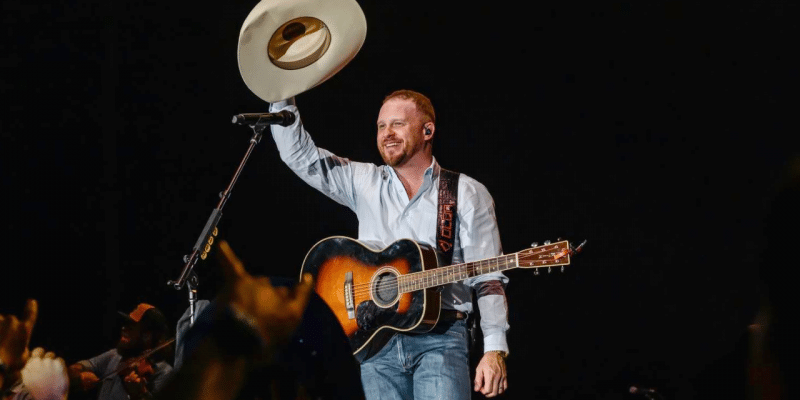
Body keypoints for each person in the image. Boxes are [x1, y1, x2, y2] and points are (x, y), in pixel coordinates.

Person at [268, 90, 510, 399]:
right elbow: (299, 157)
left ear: (428, 130)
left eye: (397, 124)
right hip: (375, 342)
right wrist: (280, 94)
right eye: (381, 126)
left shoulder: (466, 193)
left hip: (441, 339)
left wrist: (494, 350)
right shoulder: (364, 181)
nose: (387, 134)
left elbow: (489, 278)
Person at [68, 304, 173, 400]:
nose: (123, 328)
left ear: (147, 336)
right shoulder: (115, 355)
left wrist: (140, 394)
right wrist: (79, 377)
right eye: (125, 324)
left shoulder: (165, 373)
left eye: (131, 326)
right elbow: (73, 369)